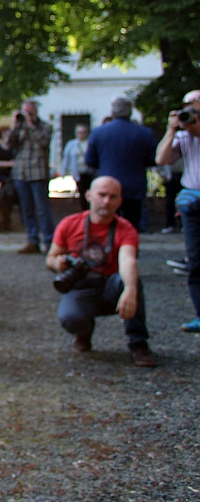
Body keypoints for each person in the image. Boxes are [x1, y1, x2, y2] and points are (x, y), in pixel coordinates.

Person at [47, 177, 155, 366]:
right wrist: (58, 263)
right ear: (89, 196)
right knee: (69, 317)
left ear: (119, 201)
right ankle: (84, 332)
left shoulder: (125, 228)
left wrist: (130, 289)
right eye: (102, 195)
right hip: (82, 286)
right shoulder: (69, 224)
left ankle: (138, 344)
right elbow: (50, 258)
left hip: (111, 285)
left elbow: (128, 260)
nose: (106, 201)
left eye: (112, 197)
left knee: (131, 281)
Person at [156, 93, 200, 332]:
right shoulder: (184, 136)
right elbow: (161, 158)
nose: (189, 111)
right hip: (192, 203)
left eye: (194, 106)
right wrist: (171, 130)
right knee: (195, 261)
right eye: (186, 106)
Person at [85, 97, 157, 232]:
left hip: (107, 186)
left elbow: (90, 160)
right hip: (134, 185)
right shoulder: (144, 133)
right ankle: (129, 251)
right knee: (132, 226)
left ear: (112, 111)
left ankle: (110, 251)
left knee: (107, 225)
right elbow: (152, 160)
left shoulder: (99, 132)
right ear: (130, 112)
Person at [10, 100, 55, 253]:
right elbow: (9, 144)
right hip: (21, 173)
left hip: (38, 173)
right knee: (26, 209)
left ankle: (49, 241)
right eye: (25, 112)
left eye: (29, 112)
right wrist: (15, 127)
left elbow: (43, 141)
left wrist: (30, 124)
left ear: (35, 112)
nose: (26, 115)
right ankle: (32, 240)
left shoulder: (45, 127)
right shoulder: (20, 127)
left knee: (43, 210)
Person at [60, 124, 93, 211]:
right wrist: (63, 171)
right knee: (82, 192)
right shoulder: (71, 144)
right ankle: (84, 210)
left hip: (89, 171)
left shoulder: (90, 143)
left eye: (83, 132)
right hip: (78, 172)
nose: (81, 135)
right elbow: (66, 158)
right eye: (79, 132)